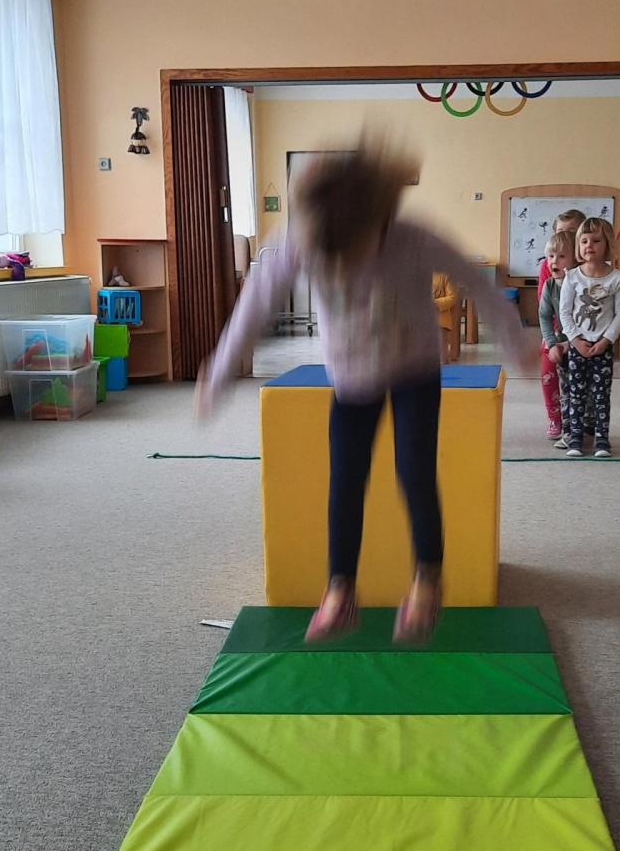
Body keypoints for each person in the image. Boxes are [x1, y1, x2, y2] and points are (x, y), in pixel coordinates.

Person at [198, 141, 529, 643]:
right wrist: (221, 370)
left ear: (379, 221)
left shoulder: (413, 239)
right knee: (346, 479)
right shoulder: (299, 240)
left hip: (414, 365)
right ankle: (340, 589)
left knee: (414, 470)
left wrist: (517, 343)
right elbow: (255, 304)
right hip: (353, 374)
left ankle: (427, 578)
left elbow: (479, 285)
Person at [558, 216, 620, 459]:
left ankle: (602, 439)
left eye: (596, 241)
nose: (589, 246)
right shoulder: (572, 277)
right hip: (578, 345)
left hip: (602, 346)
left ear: (607, 244)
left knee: (600, 394)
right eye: (584, 241)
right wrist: (575, 340)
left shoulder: (617, 279)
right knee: (576, 393)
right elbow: (565, 312)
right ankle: (575, 437)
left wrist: (606, 341)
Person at [538, 230, 573, 446]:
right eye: (551, 256)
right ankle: (563, 424)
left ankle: (584, 425)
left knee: (580, 386)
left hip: (578, 341)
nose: (554, 261)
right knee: (561, 384)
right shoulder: (550, 285)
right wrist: (552, 343)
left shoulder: (577, 282)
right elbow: (544, 315)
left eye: (561, 256)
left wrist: (571, 341)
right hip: (559, 341)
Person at [536, 207, 586, 291]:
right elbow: (542, 295)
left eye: (571, 232)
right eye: (560, 232)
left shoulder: (587, 262)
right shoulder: (548, 264)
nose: (565, 236)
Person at [432, 272, 460, 363]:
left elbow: (452, 297)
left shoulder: (445, 275)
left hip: (440, 317)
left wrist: (435, 303)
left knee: (440, 360)